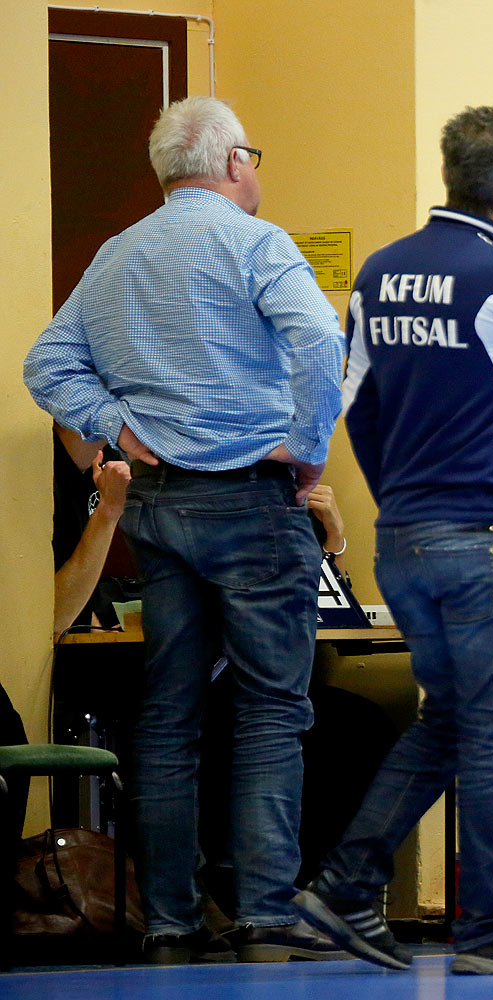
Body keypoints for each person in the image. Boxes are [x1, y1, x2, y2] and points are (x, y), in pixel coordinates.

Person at [23, 95, 347, 965]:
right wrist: (310, 451)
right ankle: (265, 913)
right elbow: (322, 340)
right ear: (234, 159)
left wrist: (115, 435)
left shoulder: (116, 254)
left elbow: (45, 362)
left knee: (167, 720)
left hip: (161, 508)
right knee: (273, 712)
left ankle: (168, 921)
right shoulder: (254, 244)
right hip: (251, 502)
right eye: (257, 156)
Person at [293, 105, 493, 976]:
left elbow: (355, 402)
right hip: (491, 535)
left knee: (455, 721)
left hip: (408, 538)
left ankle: (348, 887)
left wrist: (397, 494)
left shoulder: (379, 272)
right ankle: (491, 930)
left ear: (447, 172)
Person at [51, 423, 132, 638]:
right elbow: (53, 619)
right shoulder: (37, 474)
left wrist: (95, 626)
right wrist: (110, 508)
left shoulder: (106, 459)